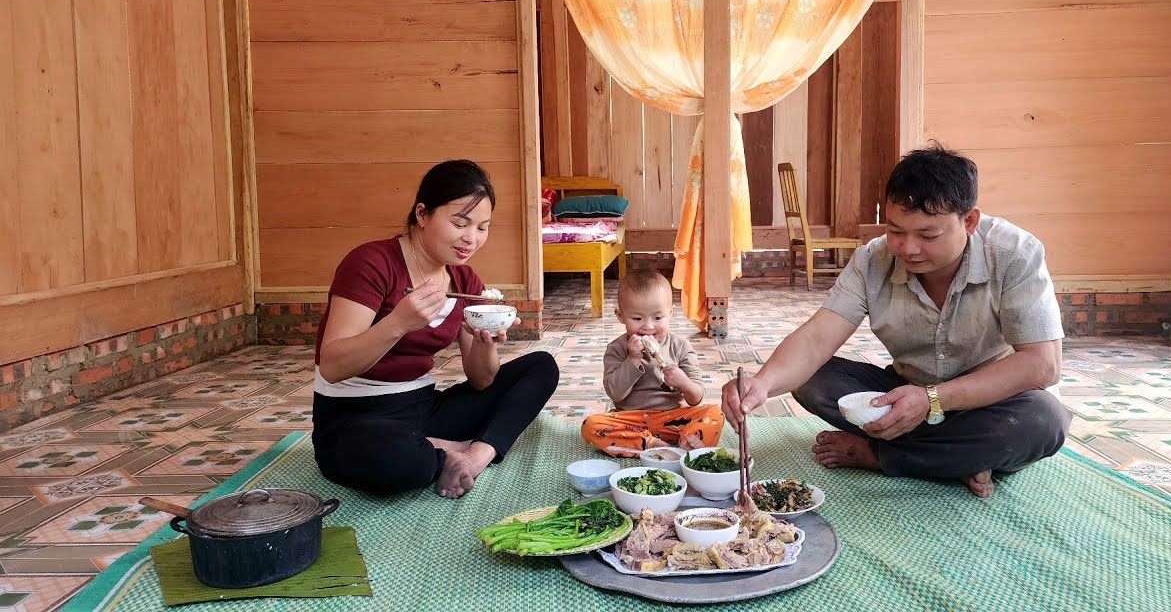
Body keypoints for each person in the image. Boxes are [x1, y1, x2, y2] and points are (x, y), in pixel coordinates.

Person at [722, 145, 1071, 498]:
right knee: (812, 379)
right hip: (906, 393)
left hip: (989, 403)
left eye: (928, 235)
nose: (908, 249)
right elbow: (816, 338)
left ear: (969, 221)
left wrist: (933, 400)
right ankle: (958, 457)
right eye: (895, 231)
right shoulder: (872, 260)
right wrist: (762, 384)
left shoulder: (1015, 254)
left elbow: (1042, 365)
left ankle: (881, 455)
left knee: (1044, 420)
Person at [312, 160, 559, 498]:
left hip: (423, 407)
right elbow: (332, 365)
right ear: (423, 214)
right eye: (460, 223)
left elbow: (481, 380)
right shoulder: (372, 263)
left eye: (482, 227)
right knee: (397, 460)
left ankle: (474, 455)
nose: (471, 238)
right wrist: (398, 323)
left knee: (542, 366)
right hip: (354, 417)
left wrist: (485, 343)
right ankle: (439, 451)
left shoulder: (464, 281)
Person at [582, 270, 724, 456]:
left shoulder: (681, 347)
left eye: (658, 318)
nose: (648, 326)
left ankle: (686, 443)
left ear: (670, 313)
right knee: (591, 425)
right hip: (630, 420)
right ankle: (650, 444)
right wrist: (632, 360)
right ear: (620, 316)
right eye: (637, 318)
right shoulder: (616, 349)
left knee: (714, 413)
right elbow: (615, 393)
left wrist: (684, 382)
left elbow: (696, 398)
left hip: (674, 420)